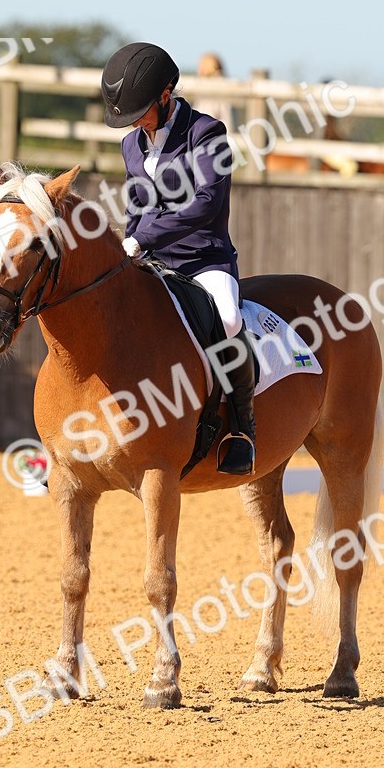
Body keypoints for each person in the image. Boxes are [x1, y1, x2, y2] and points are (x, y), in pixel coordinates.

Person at [100, 41, 255, 476]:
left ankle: (241, 430)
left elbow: (205, 203)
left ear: (166, 95)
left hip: (203, 260)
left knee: (226, 318)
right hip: (150, 259)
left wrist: (142, 238)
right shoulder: (132, 146)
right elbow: (137, 205)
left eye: (139, 112)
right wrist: (127, 243)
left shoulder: (207, 134)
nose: (133, 125)